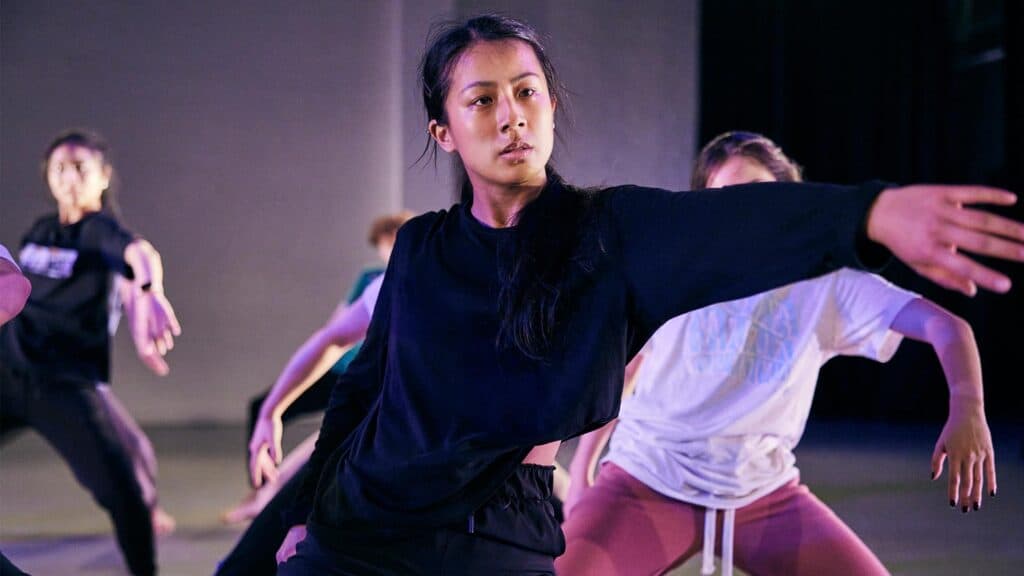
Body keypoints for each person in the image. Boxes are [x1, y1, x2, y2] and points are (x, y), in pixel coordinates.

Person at [274, 15, 1024, 575]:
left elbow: (734, 224)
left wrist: (869, 213)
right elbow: (362, 392)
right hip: (387, 522)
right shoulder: (422, 247)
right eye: (483, 100)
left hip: (541, 531)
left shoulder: (611, 232)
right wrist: (304, 513)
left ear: (551, 105)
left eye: (528, 92)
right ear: (444, 131)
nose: (512, 116)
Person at [556, 131, 998, 576]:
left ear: (787, 202)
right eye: (725, 198)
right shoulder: (676, 266)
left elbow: (946, 326)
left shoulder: (826, 283)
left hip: (762, 494)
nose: (743, 212)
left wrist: (968, 407)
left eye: (758, 196)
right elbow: (629, 367)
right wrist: (582, 472)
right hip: (646, 481)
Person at [0, 129, 181, 576]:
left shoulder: (101, 233)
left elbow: (139, 254)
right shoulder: (39, 231)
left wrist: (149, 292)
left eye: (80, 167)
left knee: (125, 491)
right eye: (59, 167)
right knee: (136, 450)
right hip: (8, 370)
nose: (69, 177)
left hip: (62, 386)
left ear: (103, 177)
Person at [222, 211, 413, 525]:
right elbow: (334, 333)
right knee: (267, 413)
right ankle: (260, 494)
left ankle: (270, 499)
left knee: (318, 460)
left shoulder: (421, 274)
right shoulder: (374, 280)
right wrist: (272, 411)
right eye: (382, 244)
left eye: (389, 241)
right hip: (339, 375)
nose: (384, 250)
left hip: (376, 392)